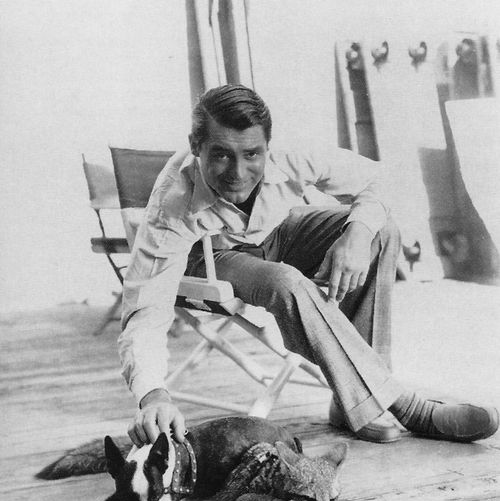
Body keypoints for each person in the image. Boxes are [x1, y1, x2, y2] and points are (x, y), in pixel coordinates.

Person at [119, 84, 498, 448]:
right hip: (208, 257)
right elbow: (145, 308)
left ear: (268, 146)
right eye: (220, 155)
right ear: (195, 147)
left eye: (252, 154)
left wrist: (358, 234)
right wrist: (153, 394)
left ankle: (351, 399)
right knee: (286, 281)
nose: (238, 171)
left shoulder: (292, 153)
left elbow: (378, 177)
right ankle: (408, 408)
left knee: (380, 230)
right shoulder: (172, 202)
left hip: (276, 232)